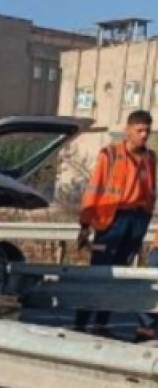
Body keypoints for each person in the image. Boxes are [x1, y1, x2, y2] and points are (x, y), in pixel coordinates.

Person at [75, 110, 156, 337]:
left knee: (120, 274)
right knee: (100, 273)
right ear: (128, 130)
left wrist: (145, 219)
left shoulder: (150, 158)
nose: (143, 135)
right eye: (139, 130)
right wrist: (85, 224)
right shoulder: (109, 154)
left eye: (147, 131)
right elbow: (93, 189)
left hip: (136, 220)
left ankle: (101, 324)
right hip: (111, 220)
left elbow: (150, 191)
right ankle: (81, 322)